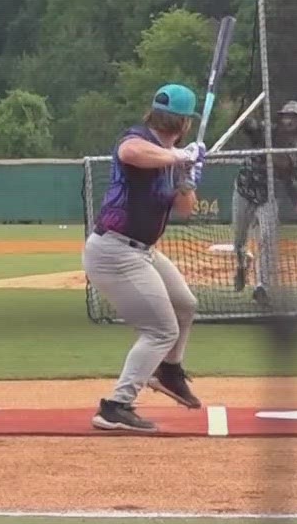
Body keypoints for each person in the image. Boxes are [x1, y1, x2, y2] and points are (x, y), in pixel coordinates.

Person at [83, 83, 207, 432]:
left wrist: (188, 178)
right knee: (160, 329)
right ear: (183, 123)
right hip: (114, 251)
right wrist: (181, 157)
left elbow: (185, 210)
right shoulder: (139, 139)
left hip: (143, 251)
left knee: (185, 304)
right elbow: (130, 153)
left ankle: (169, 371)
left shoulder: (173, 158)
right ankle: (116, 405)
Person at [231, 99, 297, 301]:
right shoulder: (266, 131)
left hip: (268, 197)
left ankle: (261, 287)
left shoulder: (295, 151)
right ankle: (241, 265)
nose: (290, 121)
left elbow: (290, 179)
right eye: (287, 117)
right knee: (239, 240)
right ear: (281, 118)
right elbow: (249, 128)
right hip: (245, 190)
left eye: (295, 119)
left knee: (267, 240)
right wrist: (245, 120)